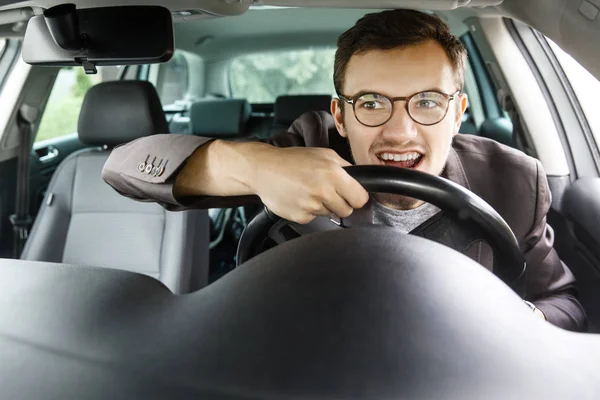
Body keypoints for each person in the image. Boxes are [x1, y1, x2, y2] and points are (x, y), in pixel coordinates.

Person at [102, 9, 586, 331]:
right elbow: (122, 167)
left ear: (458, 111)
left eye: (427, 102)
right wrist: (253, 165)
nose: (400, 131)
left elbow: (565, 304)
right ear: (340, 114)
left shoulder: (516, 178)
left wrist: (512, 323)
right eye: (372, 103)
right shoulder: (305, 146)